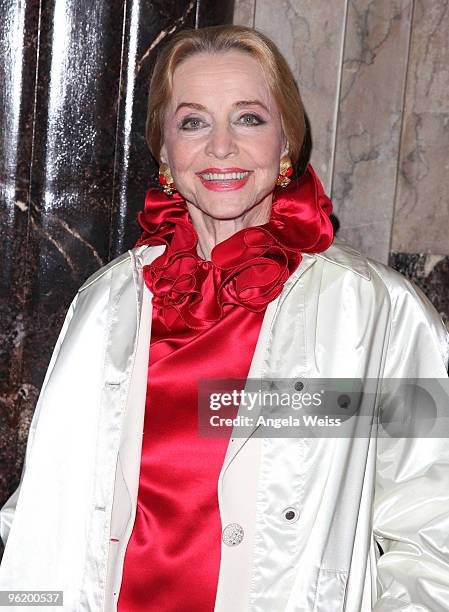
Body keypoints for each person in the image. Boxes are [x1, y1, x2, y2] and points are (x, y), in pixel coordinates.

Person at [1, 23, 449, 612]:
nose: (220, 147)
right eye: (192, 122)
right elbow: (43, 509)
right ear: (164, 151)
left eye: (249, 118)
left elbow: (432, 527)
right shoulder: (107, 302)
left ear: (286, 141)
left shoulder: (373, 314)